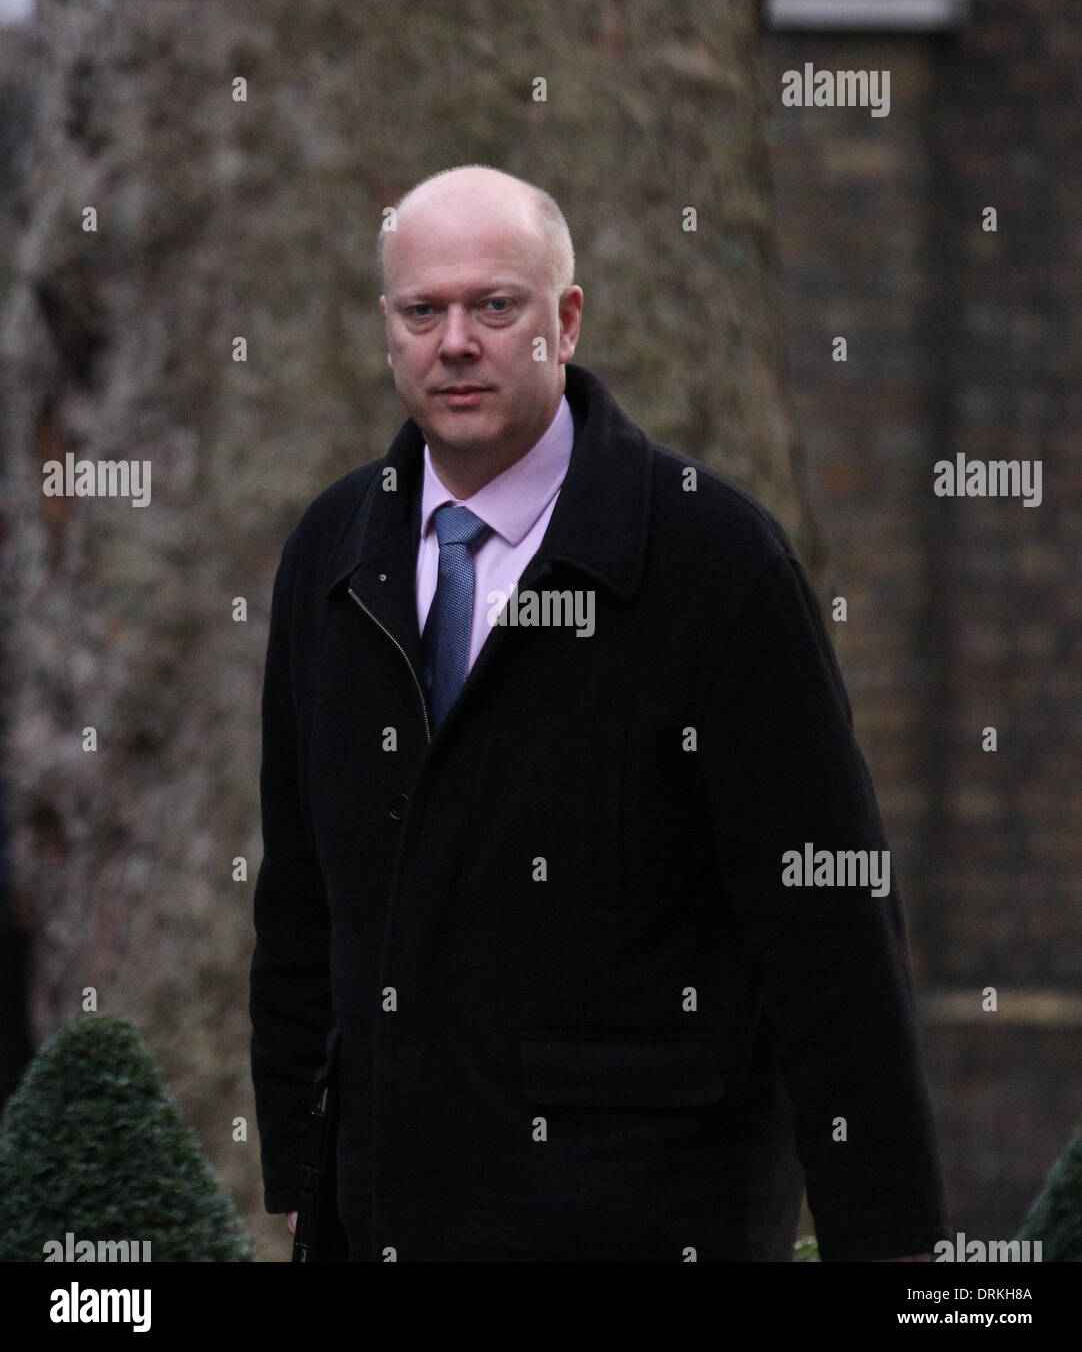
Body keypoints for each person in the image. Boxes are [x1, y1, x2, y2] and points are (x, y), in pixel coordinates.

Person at [249, 164, 950, 1262]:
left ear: (564, 320)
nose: (455, 342)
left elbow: (828, 928)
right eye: (421, 310)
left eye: (495, 306)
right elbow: (298, 900)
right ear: (387, 330)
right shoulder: (332, 554)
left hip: (639, 1218)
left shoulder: (715, 564)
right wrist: (300, 1165)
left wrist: (890, 1238)